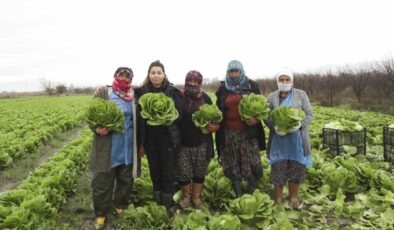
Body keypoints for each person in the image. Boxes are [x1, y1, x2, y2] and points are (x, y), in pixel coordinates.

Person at [89, 67, 139, 230]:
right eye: (121, 75)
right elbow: (91, 115)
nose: (124, 78)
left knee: (125, 178)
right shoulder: (105, 93)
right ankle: (101, 215)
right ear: (115, 76)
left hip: (127, 144)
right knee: (102, 181)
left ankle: (119, 206)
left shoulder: (134, 95)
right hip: (108, 144)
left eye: (128, 76)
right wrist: (96, 129)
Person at [134, 60, 183, 209]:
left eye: (159, 73)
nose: (156, 76)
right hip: (149, 139)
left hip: (167, 138)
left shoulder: (173, 92)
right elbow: (124, 91)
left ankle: (167, 204)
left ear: (164, 74)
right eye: (153, 73)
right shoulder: (141, 91)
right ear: (149, 75)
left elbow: (179, 114)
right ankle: (158, 201)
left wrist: (166, 118)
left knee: (168, 172)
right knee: (154, 171)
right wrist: (105, 88)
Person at [215, 60, 266, 197]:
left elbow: (262, 106)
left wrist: (255, 119)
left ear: (241, 71)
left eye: (236, 71)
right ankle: (237, 189)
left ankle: (252, 188)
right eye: (231, 71)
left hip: (248, 132)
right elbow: (218, 110)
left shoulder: (251, 85)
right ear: (227, 73)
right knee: (232, 160)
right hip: (228, 133)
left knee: (251, 160)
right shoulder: (222, 88)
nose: (234, 74)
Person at [264, 68, 313, 209]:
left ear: (292, 81)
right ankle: (278, 199)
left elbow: (309, 114)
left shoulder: (301, 95)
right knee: (278, 170)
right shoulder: (272, 97)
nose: (284, 82)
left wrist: (298, 125)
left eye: (287, 80)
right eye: (281, 79)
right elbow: (266, 117)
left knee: (296, 170)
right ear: (277, 81)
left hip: (297, 140)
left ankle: (293, 198)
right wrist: (274, 128)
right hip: (278, 141)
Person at [177, 70, 217, 209]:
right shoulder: (179, 97)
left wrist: (213, 126)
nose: (193, 83)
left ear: (200, 83)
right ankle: (186, 197)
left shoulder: (206, 98)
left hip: (201, 141)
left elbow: (215, 118)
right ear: (186, 80)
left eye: (196, 81)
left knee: (200, 171)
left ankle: (196, 197)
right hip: (183, 142)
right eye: (190, 80)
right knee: (184, 172)